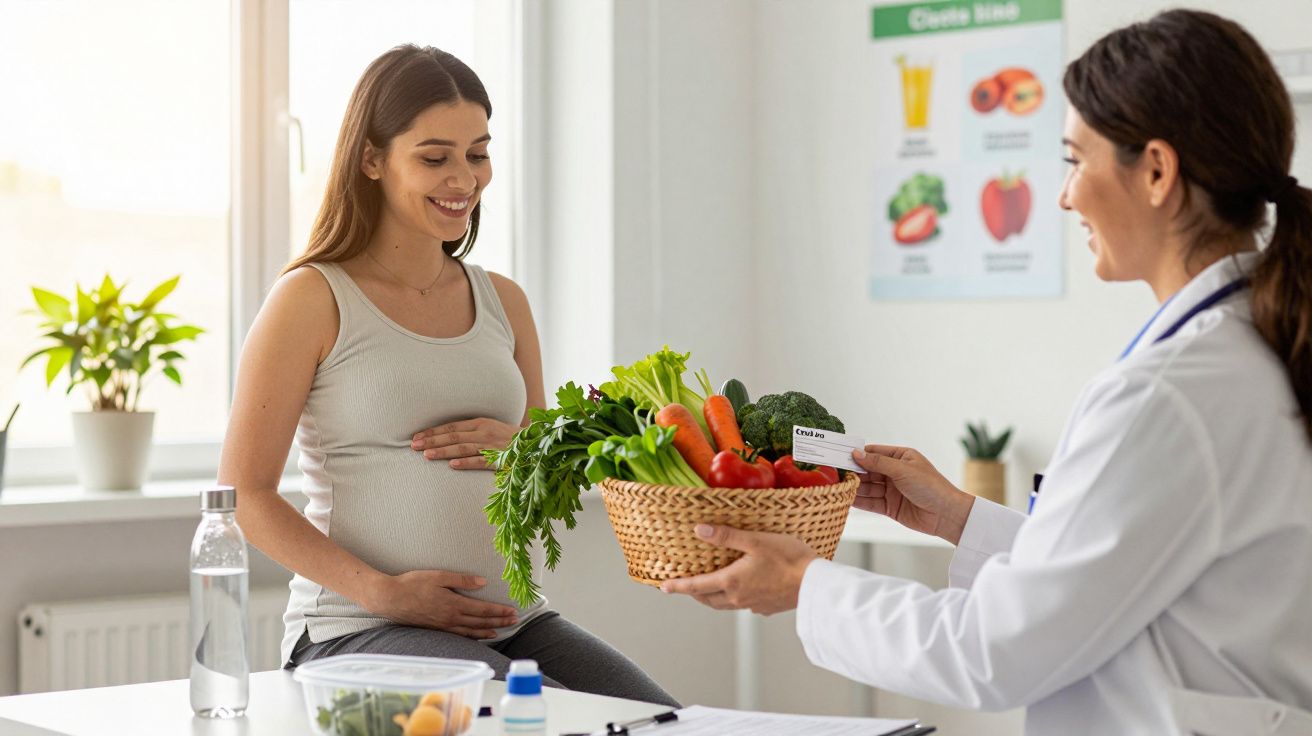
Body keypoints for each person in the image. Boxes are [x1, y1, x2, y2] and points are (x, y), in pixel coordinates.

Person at [662, 10, 1312, 734]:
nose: (1064, 196)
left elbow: (994, 651)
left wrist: (803, 585)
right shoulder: (1255, 344)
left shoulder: (1172, 392)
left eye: (1074, 160)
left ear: (1156, 170)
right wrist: (959, 519)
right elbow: (1118, 576)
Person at [217, 44, 677, 707]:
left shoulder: (504, 301)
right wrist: (386, 592)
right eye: (434, 157)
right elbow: (245, 496)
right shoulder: (312, 299)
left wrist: (522, 450)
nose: (463, 178)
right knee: (548, 716)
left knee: (661, 719)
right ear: (371, 159)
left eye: (477, 153)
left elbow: (549, 480)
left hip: (512, 622)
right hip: (361, 628)